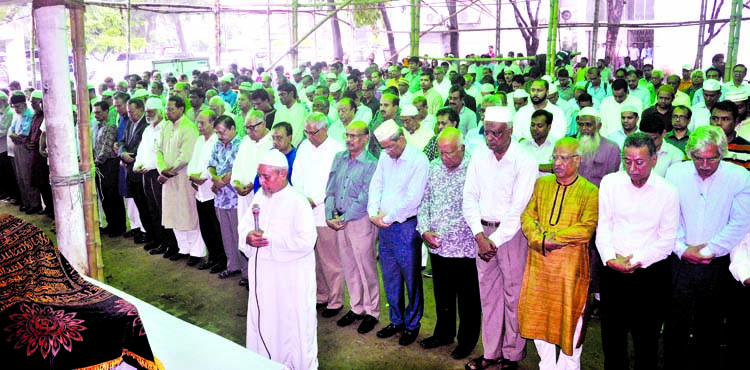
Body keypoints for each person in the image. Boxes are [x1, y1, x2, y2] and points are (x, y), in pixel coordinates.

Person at [663, 125, 750, 370]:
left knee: (710, 325)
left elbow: (740, 223)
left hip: (718, 262)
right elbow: (669, 217)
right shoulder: (675, 173)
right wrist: (682, 249)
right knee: (675, 324)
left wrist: (709, 250)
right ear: (689, 153)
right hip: (679, 259)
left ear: (722, 154)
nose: (704, 165)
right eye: (698, 158)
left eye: (711, 158)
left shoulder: (740, 176)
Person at [597, 132, 679, 370]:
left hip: (650, 275)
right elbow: (604, 227)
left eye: (639, 162)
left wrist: (634, 261)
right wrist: (611, 259)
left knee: (646, 343)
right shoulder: (610, 183)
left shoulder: (668, 191)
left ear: (654, 160)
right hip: (613, 271)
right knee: (612, 341)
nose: (632, 168)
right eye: (627, 161)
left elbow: (666, 240)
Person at [463, 106, 537, 370]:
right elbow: (469, 197)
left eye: (496, 133)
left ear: (510, 132)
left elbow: (520, 207)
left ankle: (512, 355)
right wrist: (479, 235)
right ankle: (491, 353)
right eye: (487, 132)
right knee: (489, 297)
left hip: (512, 236)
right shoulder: (479, 156)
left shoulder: (524, 159)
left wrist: (494, 240)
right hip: (483, 234)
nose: (490, 138)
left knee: (513, 296)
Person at [519, 137, 598, 370]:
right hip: (540, 267)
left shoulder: (589, 191)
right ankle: (548, 366)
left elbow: (586, 228)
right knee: (538, 317)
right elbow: (527, 216)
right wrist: (538, 239)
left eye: (564, 158)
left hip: (569, 272)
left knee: (571, 322)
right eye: (555, 157)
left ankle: (567, 367)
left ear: (578, 160)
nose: (558, 163)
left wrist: (552, 238)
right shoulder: (541, 185)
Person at [241, 149, 318, 370]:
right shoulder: (259, 197)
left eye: (266, 177)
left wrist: (269, 240)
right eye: (260, 176)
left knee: (291, 327)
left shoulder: (298, 202)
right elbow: (245, 225)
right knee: (264, 321)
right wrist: (248, 236)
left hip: (290, 280)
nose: (261, 182)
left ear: (283, 174)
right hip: (264, 277)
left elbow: (306, 241)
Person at [416, 127, 481, 360]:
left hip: (464, 246)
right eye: (441, 153)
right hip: (437, 245)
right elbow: (424, 202)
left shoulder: (475, 169)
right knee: (442, 294)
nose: (445, 158)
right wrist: (424, 230)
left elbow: (477, 209)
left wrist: (445, 231)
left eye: (450, 153)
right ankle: (443, 333)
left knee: (468, 298)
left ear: (462, 148)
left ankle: (467, 341)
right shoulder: (433, 168)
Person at [368, 119, 429, 346]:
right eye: (384, 147)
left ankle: (412, 324)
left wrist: (387, 217)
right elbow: (376, 184)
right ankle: (396, 320)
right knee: (391, 276)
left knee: (411, 278)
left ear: (401, 138)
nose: (387, 152)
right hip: (384, 225)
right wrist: (373, 211)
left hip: (405, 227)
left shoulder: (418, 160)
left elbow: (413, 199)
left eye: (390, 146)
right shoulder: (385, 156)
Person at [325, 120, 380, 334]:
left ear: (366, 139)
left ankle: (372, 311)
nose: (349, 139)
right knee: (349, 266)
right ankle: (357, 308)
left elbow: (366, 197)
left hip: (359, 222)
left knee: (366, 268)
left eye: (354, 136)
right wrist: (330, 214)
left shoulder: (372, 164)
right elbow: (330, 188)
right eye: (347, 135)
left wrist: (344, 217)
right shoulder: (339, 158)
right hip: (340, 220)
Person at [292, 112, 346, 318]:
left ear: (324, 129)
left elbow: (334, 182)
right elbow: (296, 175)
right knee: (312, 258)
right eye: (306, 132)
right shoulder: (304, 146)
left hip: (324, 211)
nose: (309, 136)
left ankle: (335, 300)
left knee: (330, 260)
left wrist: (314, 199)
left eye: (313, 132)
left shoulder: (337, 149)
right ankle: (321, 295)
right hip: (304, 210)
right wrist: (301, 197)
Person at [155, 96, 203, 261]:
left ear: (181, 109)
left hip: (182, 177)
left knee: (188, 214)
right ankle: (183, 248)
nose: (168, 112)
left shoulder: (188, 127)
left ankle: (196, 252)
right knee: (173, 214)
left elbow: (186, 155)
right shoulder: (166, 126)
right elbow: (158, 150)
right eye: (167, 109)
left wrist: (170, 170)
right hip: (168, 178)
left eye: (171, 109)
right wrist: (162, 169)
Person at [208, 114, 245, 277]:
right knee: (226, 234)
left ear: (232, 129)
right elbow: (211, 164)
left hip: (235, 198)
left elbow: (236, 169)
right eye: (217, 133)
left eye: (222, 132)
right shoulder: (218, 144)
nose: (219, 136)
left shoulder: (241, 144)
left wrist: (220, 182)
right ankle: (232, 266)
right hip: (220, 197)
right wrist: (215, 179)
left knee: (239, 235)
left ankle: (246, 272)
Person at [188, 110, 225, 268]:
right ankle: (211, 257)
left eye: (203, 123)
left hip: (211, 191)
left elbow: (214, 165)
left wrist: (200, 177)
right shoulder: (199, 141)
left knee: (216, 228)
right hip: (200, 192)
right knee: (205, 227)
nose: (200, 126)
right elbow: (193, 162)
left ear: (212, 123)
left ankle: (221, 260)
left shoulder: (217, 141)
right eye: (198, 122)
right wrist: (191, 175)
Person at [92, 100, 126, 237]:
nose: (96, 115)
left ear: (106, 111)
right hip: (100, 166)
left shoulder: (111, 127)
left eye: (99, 112)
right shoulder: (99, 126)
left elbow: (105, 150)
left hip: (109, 165)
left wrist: (95, 163)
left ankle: (118, 227)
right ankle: (111, 224)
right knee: (105, 197)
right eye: (95, 113)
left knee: (113, 197)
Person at [519, 109, 554, 177]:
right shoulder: (522, 145)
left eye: (539, 126)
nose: (535, 128)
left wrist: (536, 167)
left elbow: (560, 168)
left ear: (549, 127)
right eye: (532, 125)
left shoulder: (557, 146)